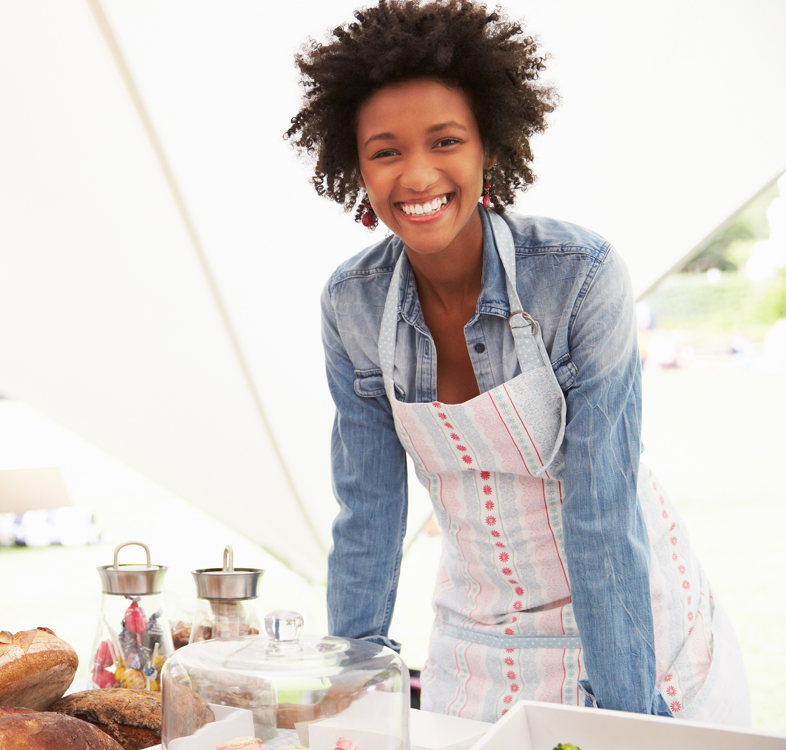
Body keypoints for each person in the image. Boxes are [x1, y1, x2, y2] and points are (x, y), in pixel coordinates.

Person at [286, 0, 750, 726]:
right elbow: (369, 513)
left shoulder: (579, 277)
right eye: (385, 151)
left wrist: (624, 721)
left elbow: (601, 507)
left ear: (488, 149)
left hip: (628, 622)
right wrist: (352, 687)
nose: (418, 174)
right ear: (356, 168)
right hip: (477, 638)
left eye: (445, 141)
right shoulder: (352, 304)